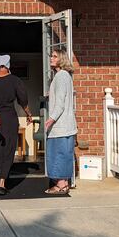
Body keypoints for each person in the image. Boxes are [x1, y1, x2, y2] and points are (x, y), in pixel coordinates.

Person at [0, 55, 33, 196]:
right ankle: (2, 182)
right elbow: (23, 101)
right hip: (9, 118)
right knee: (8, 148)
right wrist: (28, 114)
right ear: (8, 64)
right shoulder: (15, 80)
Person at [44, 47, 77, 195]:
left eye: (55, 56)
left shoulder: (62, 76)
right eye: (52, 56)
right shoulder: (62, 76)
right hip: (63, 125)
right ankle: (62, 184)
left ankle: (61, 185)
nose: (51, 58)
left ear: (62, 59)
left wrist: (51, 119)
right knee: (61, 153)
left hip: (61, 126)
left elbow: (61, 103)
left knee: (58, 154)